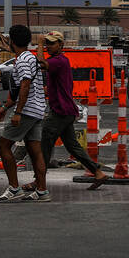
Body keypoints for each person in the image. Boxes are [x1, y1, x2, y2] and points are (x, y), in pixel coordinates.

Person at [40, 30, 107, 189]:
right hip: (67, 110)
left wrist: (39, 45)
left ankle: (38, 180)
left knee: (44, 144)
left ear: (60, 45)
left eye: (51, 43)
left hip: (60, 111)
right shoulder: (60, 61)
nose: (48, 46)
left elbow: (41, 64)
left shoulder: (58, 61)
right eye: (47, 43)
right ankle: (98, 173)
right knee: (73, 147)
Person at [0, 25, 49, 202]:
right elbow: (20, 90)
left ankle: (14, 188)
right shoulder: (30, 57)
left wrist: (17, 112)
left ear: (12, 41)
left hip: (26, 111)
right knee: (35, 151)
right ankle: (41, 191)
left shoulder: (23, 60)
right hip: (37, 110)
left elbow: (25, 85)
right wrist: (5, 108)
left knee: (3, 146)